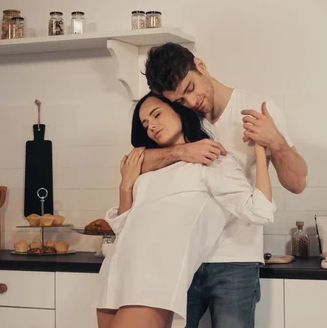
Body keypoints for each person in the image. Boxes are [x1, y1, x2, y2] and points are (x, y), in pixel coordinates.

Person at [142, 43, 308, 328]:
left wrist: (275, 142)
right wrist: (181, 152)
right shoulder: (178, 118)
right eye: (180, 100)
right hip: (182, 258)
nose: (191, 102)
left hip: (236, 259)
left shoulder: (258, 108)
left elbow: (297, 183)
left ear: (201, 65)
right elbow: (137, 162)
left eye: (191, 88)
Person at [94, 92, 277, 328]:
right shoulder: (149, 169)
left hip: (152, 282)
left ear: (179, 110)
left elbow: (260, 211)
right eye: (145, 124)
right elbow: (123, 227)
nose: (151, 127)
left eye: (156, 114)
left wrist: (261, 152)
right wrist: (125, 185)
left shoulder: (211, 161)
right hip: (116, 273)